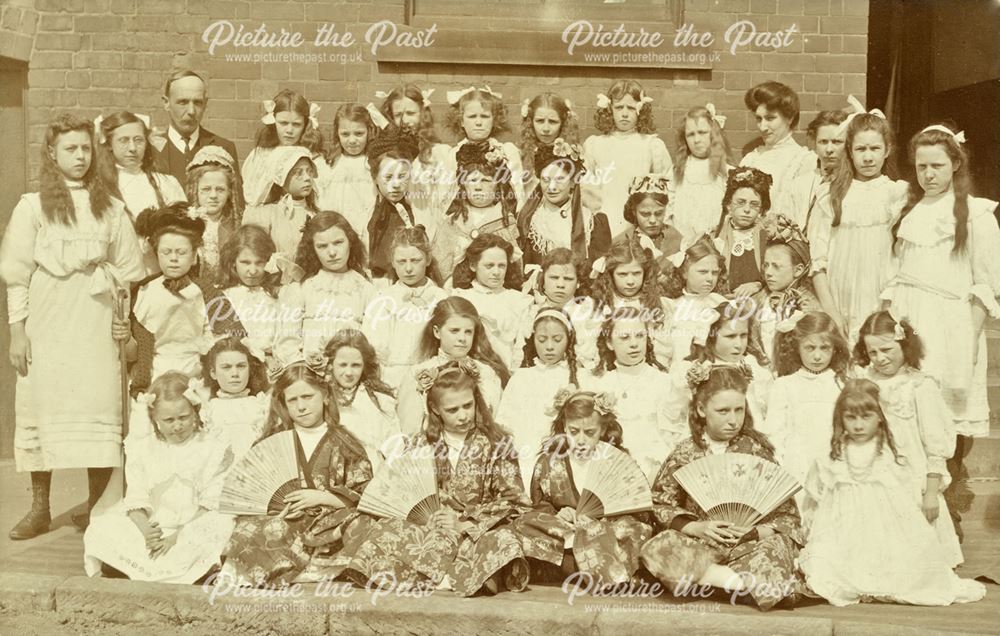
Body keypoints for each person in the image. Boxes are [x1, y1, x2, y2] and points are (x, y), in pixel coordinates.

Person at [1, 113, 145, 539]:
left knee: (99, 406)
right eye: (70, 148)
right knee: (40, 404)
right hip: (48, 317)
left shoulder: (113, 208)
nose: (80, 156)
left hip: (96, 319)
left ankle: (98, 508)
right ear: (52, 153)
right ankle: (40, 507)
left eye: (86, 148)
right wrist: (17, 332)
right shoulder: (32, 206)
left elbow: (127, 273)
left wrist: (123, 324)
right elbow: (17, 274)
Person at [336, 360, 530, 596]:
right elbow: (403, 494)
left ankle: (433, 575)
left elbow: (514, 499)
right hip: (431, 530)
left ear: (476, 401)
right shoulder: (420, 443)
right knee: (385, 528)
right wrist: (424, 519)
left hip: (476, 532)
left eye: (468, 405)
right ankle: (456, 575)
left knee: (506, 540)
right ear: (436, 409)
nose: (463, 415)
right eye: (452, 410)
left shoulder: (498, 443)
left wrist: (466, 523)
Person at [798, 379, 986, 607]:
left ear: (880, 416)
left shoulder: (889, 451)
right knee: (828, 567)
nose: (858, 426)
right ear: (840, 418)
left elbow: (903, 495)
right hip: (845, 525)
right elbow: (817, 490)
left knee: (898, 566)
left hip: (883, 524)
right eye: (851, 417)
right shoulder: (833, 454)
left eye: (866, 417)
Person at [640, 364, 804, 611]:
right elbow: (661, 503)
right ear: (701, 409)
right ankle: (740, 585)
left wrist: (754, 532)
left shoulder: (758, 451)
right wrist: (696, 527)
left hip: (749, 544)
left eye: (739, 410)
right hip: (703, 543)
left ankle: (710, 583)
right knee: (659, 546)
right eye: (723, 411)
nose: (733, 419)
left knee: (776, 548)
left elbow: (787, 517)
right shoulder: (685, 452)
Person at [221, 362, 372, 586]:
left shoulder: (345, 443)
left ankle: (316, 568)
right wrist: (277, 510)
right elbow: (252, 493)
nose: (301, 406)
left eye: (308, 396)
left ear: (326, 396)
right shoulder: (270, 442)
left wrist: (322, 497)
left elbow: (364, 493)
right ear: (283, 404)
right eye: (293, 400)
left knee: (363, 524)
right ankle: (290, 568)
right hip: (286, 521)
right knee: (251, 529)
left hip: (329, 521)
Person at [83, 371, 235, 583]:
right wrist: (146, 530)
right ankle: (128, 567)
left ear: (195, 412)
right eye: (168, 420)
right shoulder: (143, 449)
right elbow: (136, 497)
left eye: (184, 417)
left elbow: (210, 502)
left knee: (222, 526)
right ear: (155, 419)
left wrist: (178, 537)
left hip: (192, 525)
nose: (177, 426)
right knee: (104, 526)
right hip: (154, 525)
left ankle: (196, 570)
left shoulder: (210, 447)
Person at [856, 311, 963, 566]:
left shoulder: (920, 386)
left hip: (912, 476)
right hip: (876, 473)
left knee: (917, 555)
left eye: (886, 349)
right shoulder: (864, 382)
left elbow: (935, 445)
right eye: (873, 353)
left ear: (904, 344)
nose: (880, 359)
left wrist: (931, 492)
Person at [513, 388, 652, 586]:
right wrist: (560, 513)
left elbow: (636, 508)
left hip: (601, 530)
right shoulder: (549, 462)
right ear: (564, 428)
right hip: (566, 532)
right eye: (573, 431)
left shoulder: (615, 461)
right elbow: (540, 504)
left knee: (635, 529)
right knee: (524, 521)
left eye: (589, 433)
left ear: (602, 430)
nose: (580, 440)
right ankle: (583, 563)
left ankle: (571, 566)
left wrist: (600, 520)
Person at [809, 109, 907, 343]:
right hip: (838, 294)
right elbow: (817, 262)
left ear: (888, 150)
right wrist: (831, 312)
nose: (868, 157)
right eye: (860, 149)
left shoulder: (897, 194)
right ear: (849, 152)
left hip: (882, 294)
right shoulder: (830, 196)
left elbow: (904, 256)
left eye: (875, 149)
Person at [761, 311, 849, 509]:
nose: (817, 355)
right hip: (797, 463)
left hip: (833, 461)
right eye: (809, 348)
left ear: (835, 349)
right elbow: (775, 433)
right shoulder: (785, 385)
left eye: (824, 348)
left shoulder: (842, 384)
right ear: (797, 348)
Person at [496, 308, 581, 486]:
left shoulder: (579, 377)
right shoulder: (520, 377)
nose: (549, 346)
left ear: (568, 340)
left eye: (557, 340)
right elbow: (504, 423)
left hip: (565, 454)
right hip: (524, 450)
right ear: (533, 340)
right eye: (542, 340)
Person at [583, 79, 673, 234]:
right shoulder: (595, 145)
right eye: (619, 107)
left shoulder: (651, 145)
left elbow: (667, 187)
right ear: (610, 109)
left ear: (640, 110)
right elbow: (586, 188)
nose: (624, 113)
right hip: (604, 221)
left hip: (640, 224)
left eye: (631, 108)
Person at [322, 330, 402, 473]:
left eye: (355, 365)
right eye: (342, 365)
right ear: (331, 364)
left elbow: (394, 449)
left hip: (372, 475)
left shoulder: (379, 401)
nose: (349, 373)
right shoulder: (322, 398)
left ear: (364, 366)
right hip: (332, 472)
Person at [151, 70, 240, 193]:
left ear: (205, 104)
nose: (191, 111)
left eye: (198, 102)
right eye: (183, 102)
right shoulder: (150, 150)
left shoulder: (223, 148)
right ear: (166, 103)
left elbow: (236, 204)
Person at [738, 81, 816, 211]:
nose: (762, 127)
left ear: (789, 118)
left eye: (770, 118)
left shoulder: (803, 162)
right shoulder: (751, 159)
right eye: (759, 119)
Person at [670, 104, 733, 240]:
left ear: (714, 134)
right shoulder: (677, 172)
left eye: (702, 132)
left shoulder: (727, 173)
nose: (697, 140)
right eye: (691, 135)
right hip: (682, 244)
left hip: (715, 243)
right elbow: (667, 212)